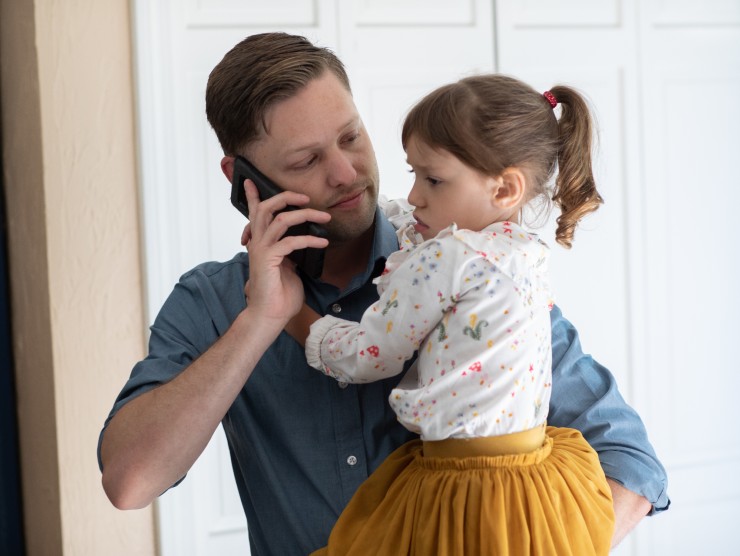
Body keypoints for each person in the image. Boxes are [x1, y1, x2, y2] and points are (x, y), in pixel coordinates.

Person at [98, 32, 669, 556]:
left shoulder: (476, 273)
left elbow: (633, 464)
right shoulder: (212, 302)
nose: (346, 173)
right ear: (244, 180)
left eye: (351, 137)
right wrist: (262, 319)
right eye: (306, 160)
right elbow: (131, 481)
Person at [284, 74, 615, 555]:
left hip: (462, 485)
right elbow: (417, 228)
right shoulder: (523, 253)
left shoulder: (450, 258)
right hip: (531, 483)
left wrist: (292, 312)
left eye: (433, 179)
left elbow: (368, 356)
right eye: (413, 173)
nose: (415, 195)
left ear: (504, 189)